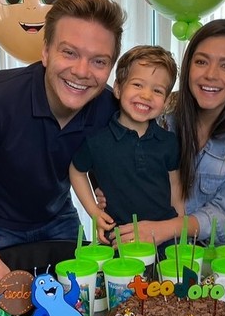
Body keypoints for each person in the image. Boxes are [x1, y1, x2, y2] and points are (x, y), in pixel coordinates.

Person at [0, 0, 126, 282]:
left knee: (77, 305)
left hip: (60, 218)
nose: (81, 72)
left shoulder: (109, 107)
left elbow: (99, 166)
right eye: (69, 52)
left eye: (99, 61)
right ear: (45, 52)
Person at [108, 19, 225, 248]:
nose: (211, 75)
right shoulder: (158, 111)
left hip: (219, 253)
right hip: (156, 247)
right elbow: (110, 144)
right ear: (188, 67)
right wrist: (103, 185)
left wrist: (163, 229)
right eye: (202, 61)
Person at [69, 45, 183, 245]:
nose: (146, 95)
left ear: (165, 102)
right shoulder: (97, 141)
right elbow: (76, 171)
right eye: (138, 85)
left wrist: (178, 228)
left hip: (164, 240)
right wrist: (94, 211)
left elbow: (176, 188)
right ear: (119, 89)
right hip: (118, 240)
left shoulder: (169, 142)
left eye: (157, 90)